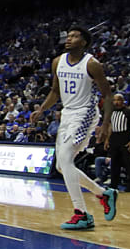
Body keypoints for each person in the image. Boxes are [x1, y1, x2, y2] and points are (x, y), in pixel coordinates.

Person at [31, 26, 117, 230]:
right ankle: (103, 194)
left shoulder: (92, 64)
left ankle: (82, 213)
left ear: (84, 42)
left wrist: (106, 124)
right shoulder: (57, 62)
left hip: (85, 113)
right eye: (68, 35)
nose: (69, 39)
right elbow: (55, 91)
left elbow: (108, 95)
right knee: (62, 166)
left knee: (67, 159)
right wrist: (42, 109)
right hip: (68, 114)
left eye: (74, 36)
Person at [105, 94, 130, 192]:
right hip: (114, 138)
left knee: (129, 163)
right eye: (114, 100)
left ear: (123, 101)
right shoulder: (112, 112)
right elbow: (110, 126)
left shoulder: (128, 112)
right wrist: (107, 139)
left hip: (125, 137)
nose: (116, 102)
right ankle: (114, 185)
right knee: (114, 163)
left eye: (118, 100)